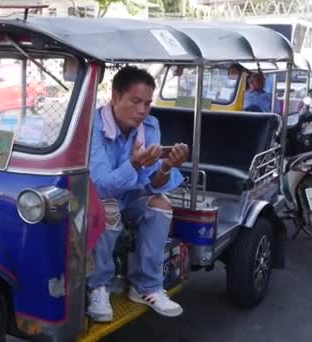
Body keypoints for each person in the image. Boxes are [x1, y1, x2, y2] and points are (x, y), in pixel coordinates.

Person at [87, 66, 189, 322]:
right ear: (115, 96)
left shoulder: (150, 127)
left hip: (131, 199)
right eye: (135, 101)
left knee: (161, 204)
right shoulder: (93, 127)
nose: (142, 110)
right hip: (94, 200)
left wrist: (166, 167)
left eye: (147, 103)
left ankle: (146, 287)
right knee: (108, 207)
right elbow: (100, 187)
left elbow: (152, 184)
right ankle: (99, 286)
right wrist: (132, 164)